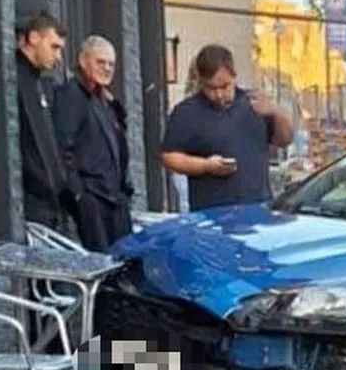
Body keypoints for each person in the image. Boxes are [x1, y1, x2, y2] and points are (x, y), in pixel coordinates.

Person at [159, 44, 294, 212]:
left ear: (234, 76)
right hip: (211, 214)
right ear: (201, 81)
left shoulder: (255, 103)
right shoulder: (186, 112)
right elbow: (169, 157)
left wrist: (276, 112)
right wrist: (206, 166)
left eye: (224, 86)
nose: (219, 94)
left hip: (257, 210)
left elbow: (284, 140)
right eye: (211, 88)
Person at [53, 35, 133, 251]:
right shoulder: (72, 94)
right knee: (101, 266)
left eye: (111, 64)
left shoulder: (104, 100)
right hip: (92, 199)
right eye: (100, 62)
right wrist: (79, 195)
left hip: (114, 198)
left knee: (123, 267)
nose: (107, 68)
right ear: (83, 61)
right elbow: (62, 147)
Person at [16, 12, 71, 229]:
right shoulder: (17, 78)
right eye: (54, 47)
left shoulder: (38, 83)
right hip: (32, 204)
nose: (58, 57)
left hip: (50, 203)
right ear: (34, 38)